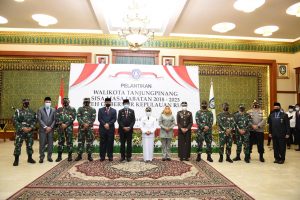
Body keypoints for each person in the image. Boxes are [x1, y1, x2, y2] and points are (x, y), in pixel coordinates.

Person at [12, 99, 36, 166]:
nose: (26, 103)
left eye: (27, 102)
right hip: (20, 131)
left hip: (29, 131)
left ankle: (30, 158)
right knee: (18, 145)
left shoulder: (32, 112)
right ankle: (16, 160)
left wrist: (31, 127)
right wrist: (22, 128)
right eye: (25, 102)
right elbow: (15, 120)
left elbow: (34, 120)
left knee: (30, 145)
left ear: (29, 103)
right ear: (22, 103)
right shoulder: (18, 111)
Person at [55, 98, 76, 162]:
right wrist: (61, 124)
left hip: (69, 127)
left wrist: (66, 124)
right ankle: (59, 156)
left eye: (66, 101)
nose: (65, 102)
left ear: (69, 102)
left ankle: (70, 156)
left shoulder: (72, 109)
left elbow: (73, 118)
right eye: (64, 101)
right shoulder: (59, 109)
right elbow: (56, 118)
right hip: (60, 127)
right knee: (60, 142)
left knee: (69, 141)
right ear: (62, 102)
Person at [37, 97, 56, 163]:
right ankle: (41, 157)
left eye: (49, 102)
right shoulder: (40, 109)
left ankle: (49, 157)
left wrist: (50, 127)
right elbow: (39, 119)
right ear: (44, 102)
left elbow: (55, 119)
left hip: (51, 130)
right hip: (43, 130)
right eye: (46, 102)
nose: (48, 103)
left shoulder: (53, 110)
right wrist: (45, 127)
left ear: (51, 103)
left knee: (50, 144)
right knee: (42, 144)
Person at [98, 97, 117, 161]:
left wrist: (108, 124)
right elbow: (99, 119)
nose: (108, 103)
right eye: (106, 102)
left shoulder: (114, 110)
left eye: (109, 102)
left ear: (110, 103)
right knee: (102, 143)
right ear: (105, 102)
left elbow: (114, 119)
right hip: (102, 129)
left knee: (110, 142)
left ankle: (110, 156)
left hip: (110, 129)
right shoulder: (100, 110)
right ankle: (102, 156)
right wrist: (104, 124)